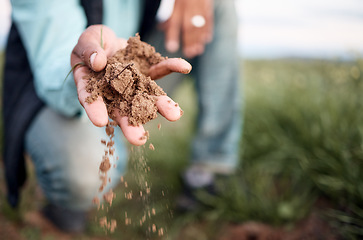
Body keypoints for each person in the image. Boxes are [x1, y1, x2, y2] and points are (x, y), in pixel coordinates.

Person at [3, 0, 241, 233]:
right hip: (60, 83)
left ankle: (212, 167)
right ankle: (65, 205)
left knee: (215, 3)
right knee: (81, 174)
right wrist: (89, 70)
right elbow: (54, 62)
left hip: (142, 64)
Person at [145, 0, 242, 210]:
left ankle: (211, 167)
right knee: (79, 187)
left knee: (217, 5)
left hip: (141, 50)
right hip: (92, 62)